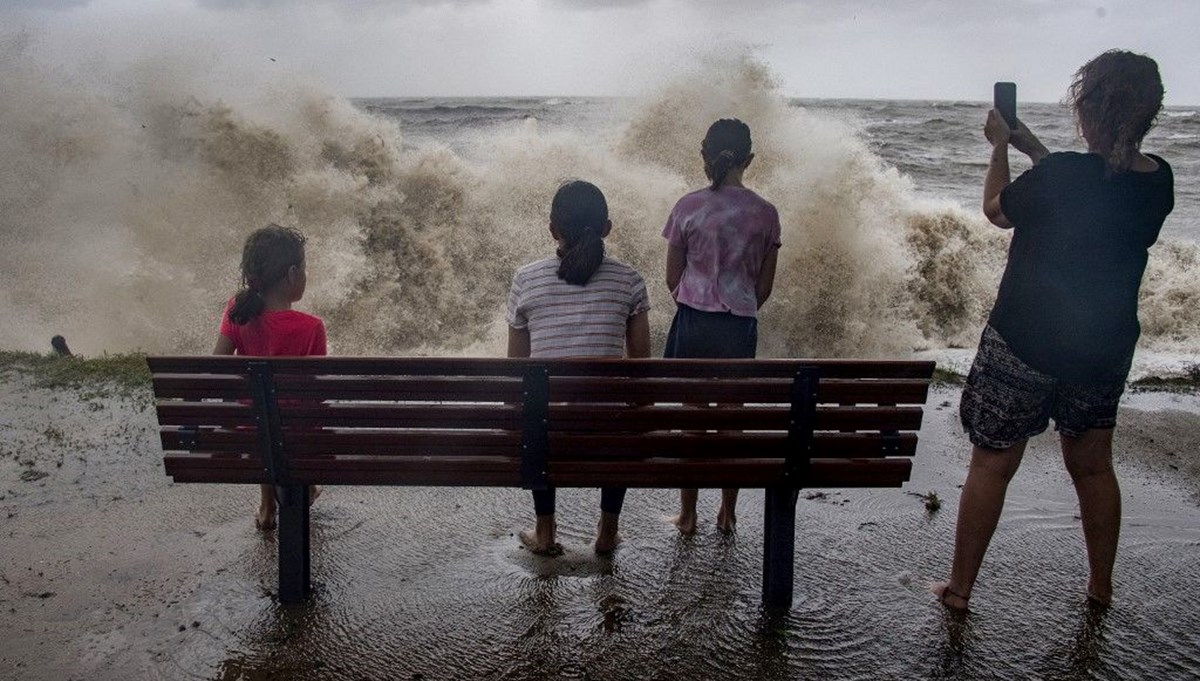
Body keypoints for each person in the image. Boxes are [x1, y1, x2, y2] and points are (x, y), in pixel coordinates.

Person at [934, 50, 1174, 611]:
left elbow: (998, 209)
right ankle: (1101, 588)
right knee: (1092, 465)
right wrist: (1034, 149)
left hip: (1026, 338)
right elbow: (1093, 189)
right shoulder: (1159, 180)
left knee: (994, 461)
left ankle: (960, 591)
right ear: (1148, 114)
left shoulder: (1066, 174)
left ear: (1087, 109)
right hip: (1103, 347)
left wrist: (999, 147)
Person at [507, 180, 651, 555]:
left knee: (535, 403)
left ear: (553, 229)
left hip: (547, 433)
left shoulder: (526, 280)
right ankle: (607, 531)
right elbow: (641, 369)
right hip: (609, 435)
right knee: (623, 409)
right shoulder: (630, 281)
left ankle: (545, 529)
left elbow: (516, 369)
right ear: (607, 228)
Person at [661, 118, 781, 535]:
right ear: (749, 160)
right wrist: (737, 304)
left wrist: (696, 299)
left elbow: (671, 278)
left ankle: (687, 515)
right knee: (733, 422)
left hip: (693, 321)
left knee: (692, 422)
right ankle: (727, 513)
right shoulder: (766, 214)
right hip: (738, 325)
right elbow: (763, 288)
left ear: (704, 156)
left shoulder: (687, 206)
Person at [213, 224, 327, 531]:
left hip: (247, 431)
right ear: (292, 274)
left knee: (262, 418)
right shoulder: (311, 327)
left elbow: (217, 366)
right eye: (304, 269)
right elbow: (314, 396)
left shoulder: (237, 311)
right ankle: (305, 486)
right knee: (295, 419)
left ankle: (266, 505)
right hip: (294, 435)